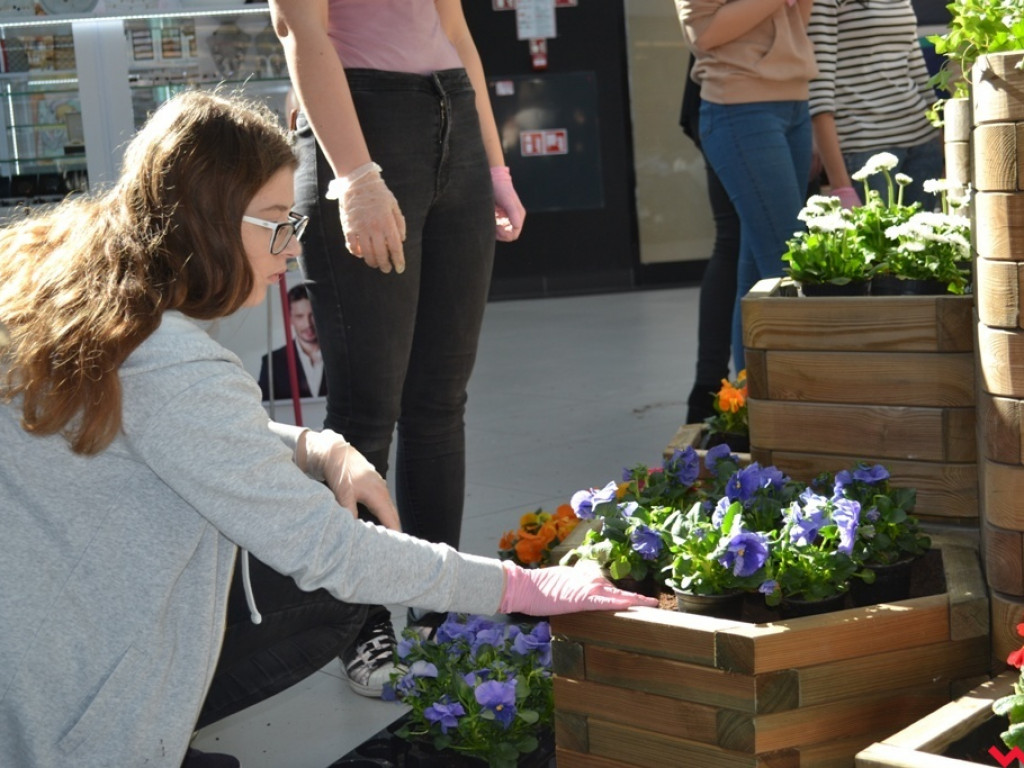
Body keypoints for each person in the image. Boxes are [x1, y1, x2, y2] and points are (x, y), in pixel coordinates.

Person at [0, 90, 653, 768]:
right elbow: (329, 551)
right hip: (68, 717)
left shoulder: (72, 290)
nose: (292, 249)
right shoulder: (173, 361)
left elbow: (164, 428)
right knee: (340, 594)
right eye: (279, 223)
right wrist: (525, 589)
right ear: (212, 219)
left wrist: (315, 445)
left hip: (31, 664)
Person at [267, 0, 527, 697]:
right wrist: (354, 176)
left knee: (440, 402)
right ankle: (357, 620)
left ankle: (440, 614)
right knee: (367, 406)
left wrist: (494, 164)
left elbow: (455, 26)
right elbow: (299, 26)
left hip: (454, 113)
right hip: (365, 117)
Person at [674, 0, 818, 372]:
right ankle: (782, 404)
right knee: (785, 266)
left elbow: (797, 22)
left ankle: (748, 404)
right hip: (740, 105)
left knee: (759, 273)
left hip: (794, 99)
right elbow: (702, 33)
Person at [807, 0, 943, 210]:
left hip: (923, 144)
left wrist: (942, 139)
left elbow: (916, 65)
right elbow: (819, 88)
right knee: (882, 242)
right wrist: (841, 188)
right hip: (865, 147)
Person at [679, 53, 741, 425]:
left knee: (734, 241)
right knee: (739, 241)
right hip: (735, 100)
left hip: (731, 98)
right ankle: (721, 391)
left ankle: (713, 391)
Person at [257, 283, 327, 401]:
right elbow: (264, 410)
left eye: (312, 315)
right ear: (289, 318)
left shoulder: (342, 357)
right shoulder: (272, 362)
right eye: (300, 316)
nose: (308, 324)